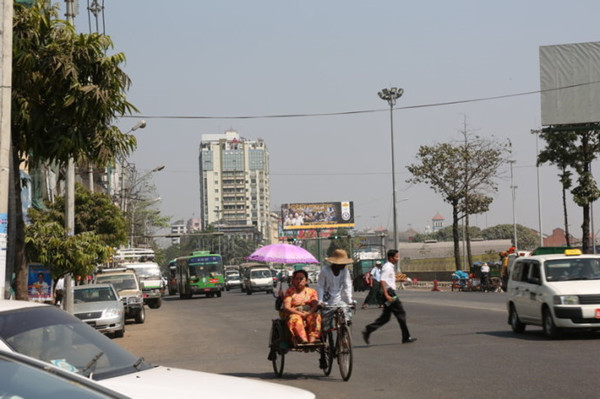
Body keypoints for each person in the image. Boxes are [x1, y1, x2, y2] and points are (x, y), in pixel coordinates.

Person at [362, 249, 416, 345]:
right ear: (391, 258)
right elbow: (382, 280)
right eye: (396, 257)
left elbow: (389, 279)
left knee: (385, 317)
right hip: (389, 294)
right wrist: (386, 294)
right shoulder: (387, 267)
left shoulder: (389, 267)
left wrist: (402, 280)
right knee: (401, 313)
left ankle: (369, 329)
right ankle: (406, 337)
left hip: (388, 293)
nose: (397, 259)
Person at [317, 249, 355, 330]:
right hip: (326, 301)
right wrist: (320, 300)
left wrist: (349, 301)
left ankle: (343, 334)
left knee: (347, 315)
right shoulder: (325, 271)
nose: (344, 265)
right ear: (335, 263)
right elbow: (320, 285)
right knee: (326, 326)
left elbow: (347, 285)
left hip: (339, 300)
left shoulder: (345, 271)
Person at [282, 269, 321, 344]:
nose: (299, 281)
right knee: (295, 318)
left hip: (308, 312)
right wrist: (300, 314)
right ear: (293, 280)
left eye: (301, 279)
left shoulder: (312, 291)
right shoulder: (290, 291)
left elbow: (315, 305)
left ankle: (313, 339)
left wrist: (309, 313)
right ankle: (303, 340)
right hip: (295, 313)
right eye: (297, 279)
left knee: (316, 317)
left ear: (306, 280)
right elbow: (286, 307)